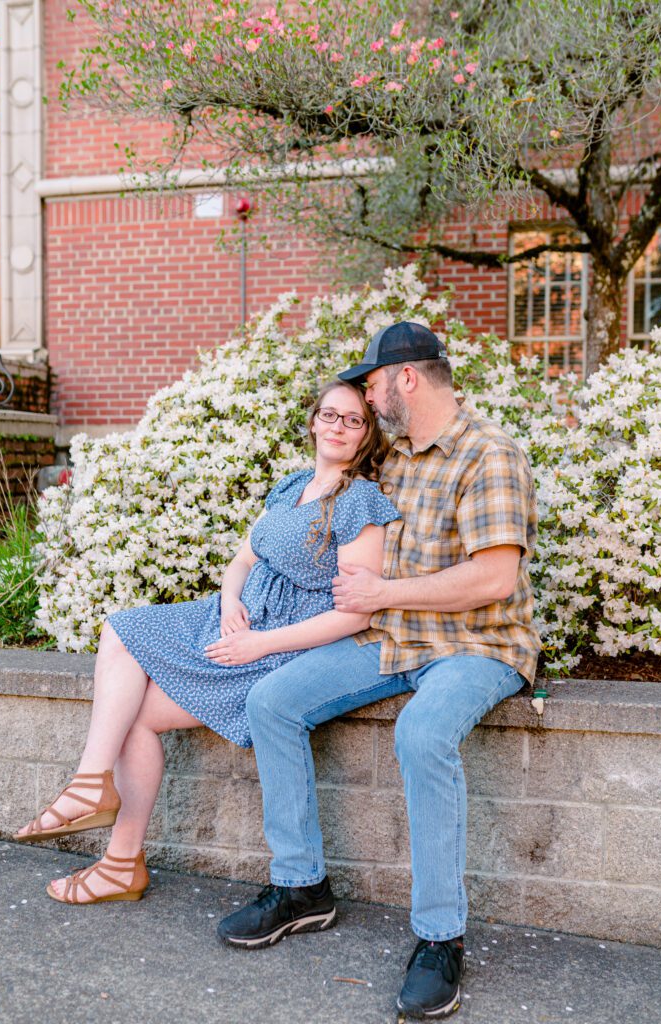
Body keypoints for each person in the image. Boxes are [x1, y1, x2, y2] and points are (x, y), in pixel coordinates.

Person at [217, 322, 541, 1020]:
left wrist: (383, 594)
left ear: (406, 380)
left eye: (371, 383)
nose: (366, 395)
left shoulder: (489, 456)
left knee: (422, 734)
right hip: (392, 639)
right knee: (272, 700)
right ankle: (302, 887)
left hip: (474, 644)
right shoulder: (390, 461)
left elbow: (493, 577)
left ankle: (438, 938)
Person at [14, 380, 401, 906]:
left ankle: (117, 857)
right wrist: (227, 603)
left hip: (281, 641)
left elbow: (354, 614)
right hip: (239, 618)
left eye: (352, 420)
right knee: (122, 628)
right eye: (329, 415)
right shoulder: (292, 486)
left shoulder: (361, 502)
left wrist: (259, 646)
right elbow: (243, 559)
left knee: (137, 715)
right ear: (312, 421)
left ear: (366, 434)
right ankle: (94, 788)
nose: (337, 427)